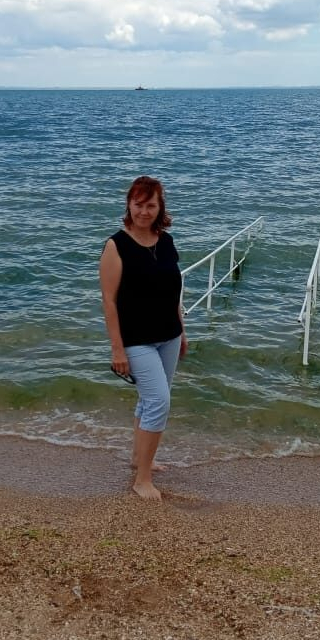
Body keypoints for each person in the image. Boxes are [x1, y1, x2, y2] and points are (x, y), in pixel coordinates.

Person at [99, 175, 187, 500]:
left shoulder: (166, 241)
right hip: (136, 340)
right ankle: (142, 479)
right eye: (138, 204)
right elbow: (109, 301)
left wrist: (182, 332)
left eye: (151, 205)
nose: (144, 211)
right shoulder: (116, 246)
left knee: (149, 400)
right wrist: (117, 350)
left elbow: (173, 291)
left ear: (160, 207)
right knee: (159, 402)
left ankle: (139, 459)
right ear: (129, 205)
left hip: (169, 335)